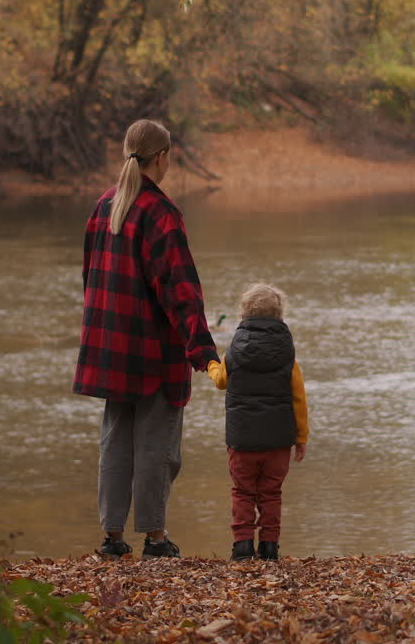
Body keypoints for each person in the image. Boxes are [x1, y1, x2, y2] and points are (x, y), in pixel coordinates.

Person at [74, 119, 220, 560]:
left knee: (116, 442)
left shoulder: (103, 207)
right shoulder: (161, 213)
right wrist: (205, 354)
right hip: (154, 354)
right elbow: (180, 291)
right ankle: (156, 538)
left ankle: (112, 537)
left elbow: (90, 279)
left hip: (110, 350)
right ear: (162, 157)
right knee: (157, 446)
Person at [207, 283, 309, 561]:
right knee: (271, 493)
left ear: (243, 313)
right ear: (280, 315)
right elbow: (299, 398)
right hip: (278, 442)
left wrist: (211, 364)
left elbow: (220, 381)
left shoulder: (235, 350)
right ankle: (269, 547)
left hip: (242, 441)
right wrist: (301, 437)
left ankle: (242, 546)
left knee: (243, 491)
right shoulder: (288, 354)